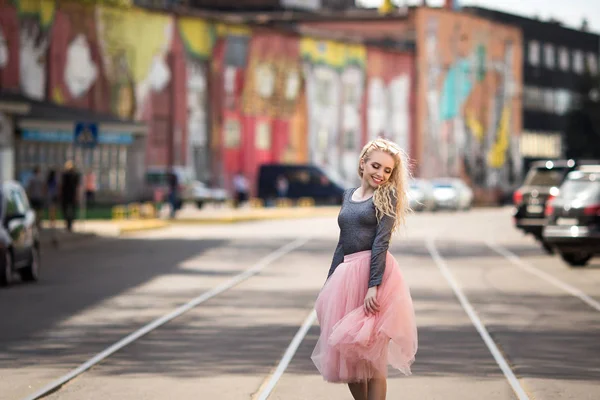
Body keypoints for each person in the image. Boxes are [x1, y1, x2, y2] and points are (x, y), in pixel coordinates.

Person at [311, 137, 418, 400]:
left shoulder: (387, 196)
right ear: (363, 163)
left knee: (373, 361)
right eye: (376, 166)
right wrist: (328, 286)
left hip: (374, 275)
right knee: (349, 359)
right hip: (345, 277)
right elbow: (342, 242)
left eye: (387, 170)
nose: (380, 174)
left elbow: (381, 243)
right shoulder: (348, 195)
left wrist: (374, 286)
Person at [59, 161, 80, 232]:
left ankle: (68, 224)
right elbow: (77, 187)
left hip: (67, 196)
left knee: (67, 210)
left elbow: (61, 186)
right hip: (71, 195)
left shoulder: (65, 175)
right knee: (71, 210)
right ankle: (69, 224)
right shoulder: (74, 175)